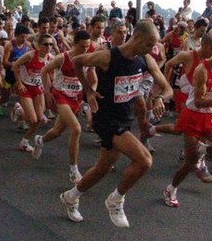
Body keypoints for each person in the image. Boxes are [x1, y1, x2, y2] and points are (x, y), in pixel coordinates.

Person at [59, 20, 172, 227]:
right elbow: (77, 62)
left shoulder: (145, 59)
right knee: (144, 160)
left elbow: (167, 88)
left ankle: (70, 196)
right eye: (148, 44)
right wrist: (88, 90)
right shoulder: (107, 56)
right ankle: (116, 200)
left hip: (124, 117)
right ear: (136, 37)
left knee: (103, 167)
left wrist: (159, 99)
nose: (151, 49)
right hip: (105, 117)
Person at [32, 31, 92, 184]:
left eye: (87, 46)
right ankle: (73, 169)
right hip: (60, 96)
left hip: (75, 97)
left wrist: (91, 92)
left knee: (58, 131)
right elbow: (44, 71)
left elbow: (92, 77)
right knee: (76, 129)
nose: (85, 49)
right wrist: (47, 92)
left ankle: (40, 140)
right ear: (74, 44)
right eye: (82, 46)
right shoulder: (62, 58)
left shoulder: (88, 58)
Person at [164, 54, 212, 207]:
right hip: (193, 116)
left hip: (209, 116)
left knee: (199, 154)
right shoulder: (202, 70)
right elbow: (198, 102)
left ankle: (202, 151)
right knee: (190, 162)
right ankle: (171, 189)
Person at [12, 34, 54, 152]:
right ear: (39, 45)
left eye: (51, 44)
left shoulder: (50, 58)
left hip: (38, 89)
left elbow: (51, 72)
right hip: (26, 88)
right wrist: (19, 83)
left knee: (39, 119)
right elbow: (15, 66)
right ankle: (21, 111)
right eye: (46, 44)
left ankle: (24, 141)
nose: (49, 47)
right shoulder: (30, 55)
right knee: (33, 120)